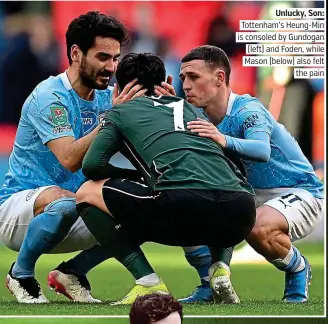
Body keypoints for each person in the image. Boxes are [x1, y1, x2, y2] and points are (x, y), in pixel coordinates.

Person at [74, 52, 256, 304]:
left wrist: (138, 175)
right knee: (221, 182)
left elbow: (92, 166)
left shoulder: (121, 111)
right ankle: (220, 269)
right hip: (242, 214)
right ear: (168, 80)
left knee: (86, 192)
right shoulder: (191, 108)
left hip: (181, 206)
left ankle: (147, 281)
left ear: (118, 88)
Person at [0, 11, 147, 304]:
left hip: (77, 209)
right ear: (76, 53)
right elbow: (69, 158)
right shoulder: (50, 97)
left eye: (115, 58)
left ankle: (73, 272)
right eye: (103, 57)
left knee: (148, 208)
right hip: (21, 211)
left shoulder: (108, 97)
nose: (111, 67)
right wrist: (112, 119)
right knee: (66, 201)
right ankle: (21, 274)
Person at [159, 45, 324, 303]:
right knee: (182, 207)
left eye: (194, 77)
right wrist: (169, 108)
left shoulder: (248, 110)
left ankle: (298, 267)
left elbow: (261, 150)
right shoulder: (196, 115)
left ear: (219, 78)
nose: (186, 85)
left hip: (299, 191)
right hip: (247, 196)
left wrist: (222, 139)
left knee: (256, 226)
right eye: (183, 79)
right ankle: (209, 283)